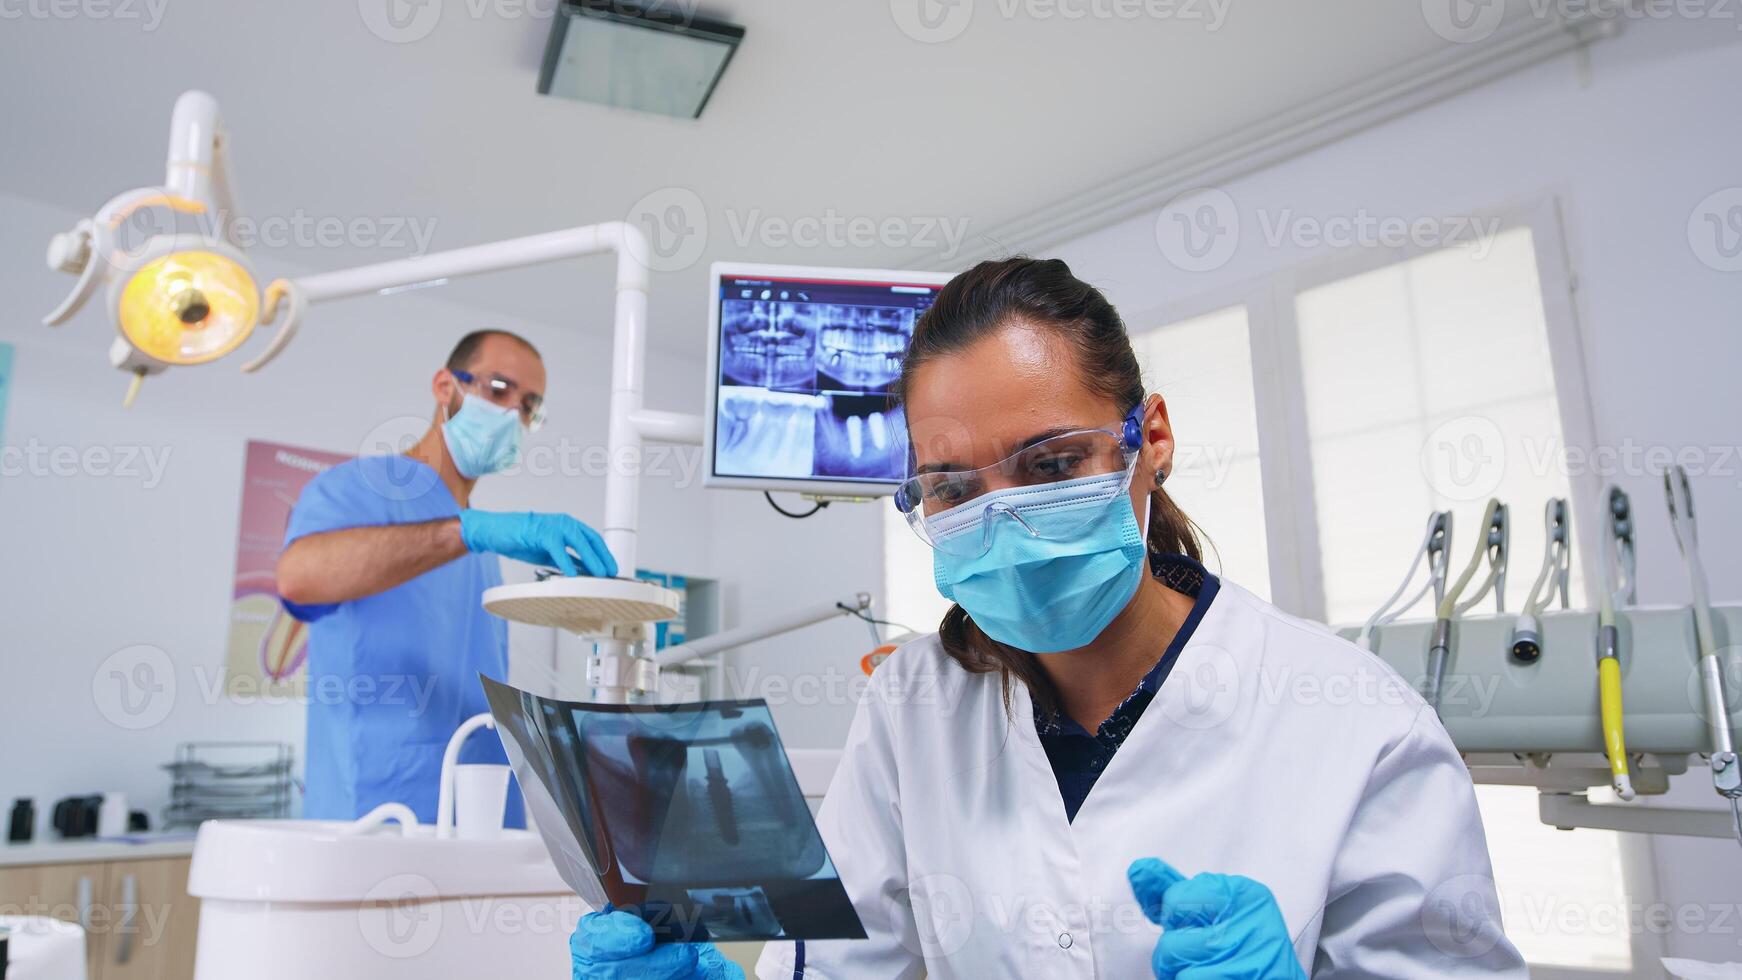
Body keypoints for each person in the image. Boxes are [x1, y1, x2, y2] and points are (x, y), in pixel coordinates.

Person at [570, 260, 1525, 978]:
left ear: (1150, 438)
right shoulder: (913, 708)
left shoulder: (1356, 723)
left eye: (1051, 464)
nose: (1003, 519)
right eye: (951, 487)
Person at [277, 329, 617, 823]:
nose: (512, 415)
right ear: (444, 387)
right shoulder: (355, 490)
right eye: (498, 389)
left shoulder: (479, 548)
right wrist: (466, 530)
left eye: (529, 406)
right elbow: (299, 578)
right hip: (375, 816)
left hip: (480, 814)